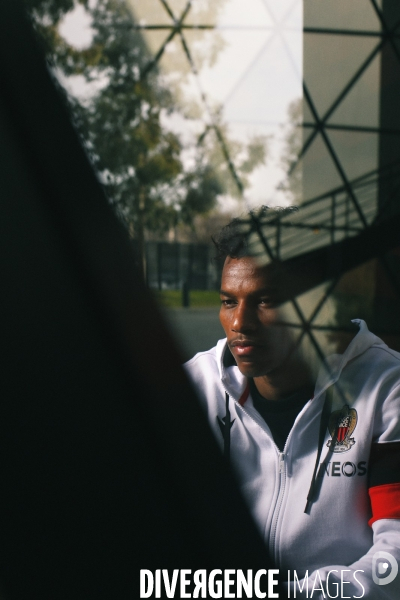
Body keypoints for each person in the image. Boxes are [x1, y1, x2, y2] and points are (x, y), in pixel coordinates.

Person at [184, 212, 400, 599]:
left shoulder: (387, 389)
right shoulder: (196, 387)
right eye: (228, 301)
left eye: (266, 300)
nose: (240, 322)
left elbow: (393, 564)